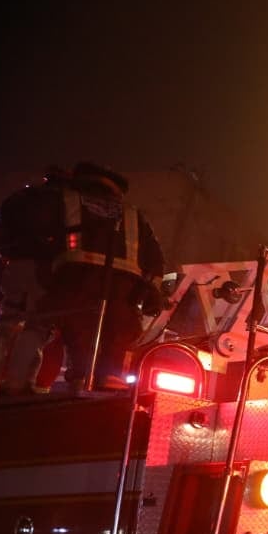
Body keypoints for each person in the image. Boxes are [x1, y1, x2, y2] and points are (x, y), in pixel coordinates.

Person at [42, 161, 167, 391]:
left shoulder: (66, 200)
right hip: (123, 284)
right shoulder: (132, 214)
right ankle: (110, 375)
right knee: (118, 328)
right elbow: (154, 258)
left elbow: (39, 237)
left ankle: (81, 375)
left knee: (79, 326)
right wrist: (152, 289)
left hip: (77, 276)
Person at [0, 165, 69, 395]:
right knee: (38, 327)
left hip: (15, 269)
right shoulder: (65, 207)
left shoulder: (20, 207)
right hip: (46, 273)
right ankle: (18, 384)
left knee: (4, 326)